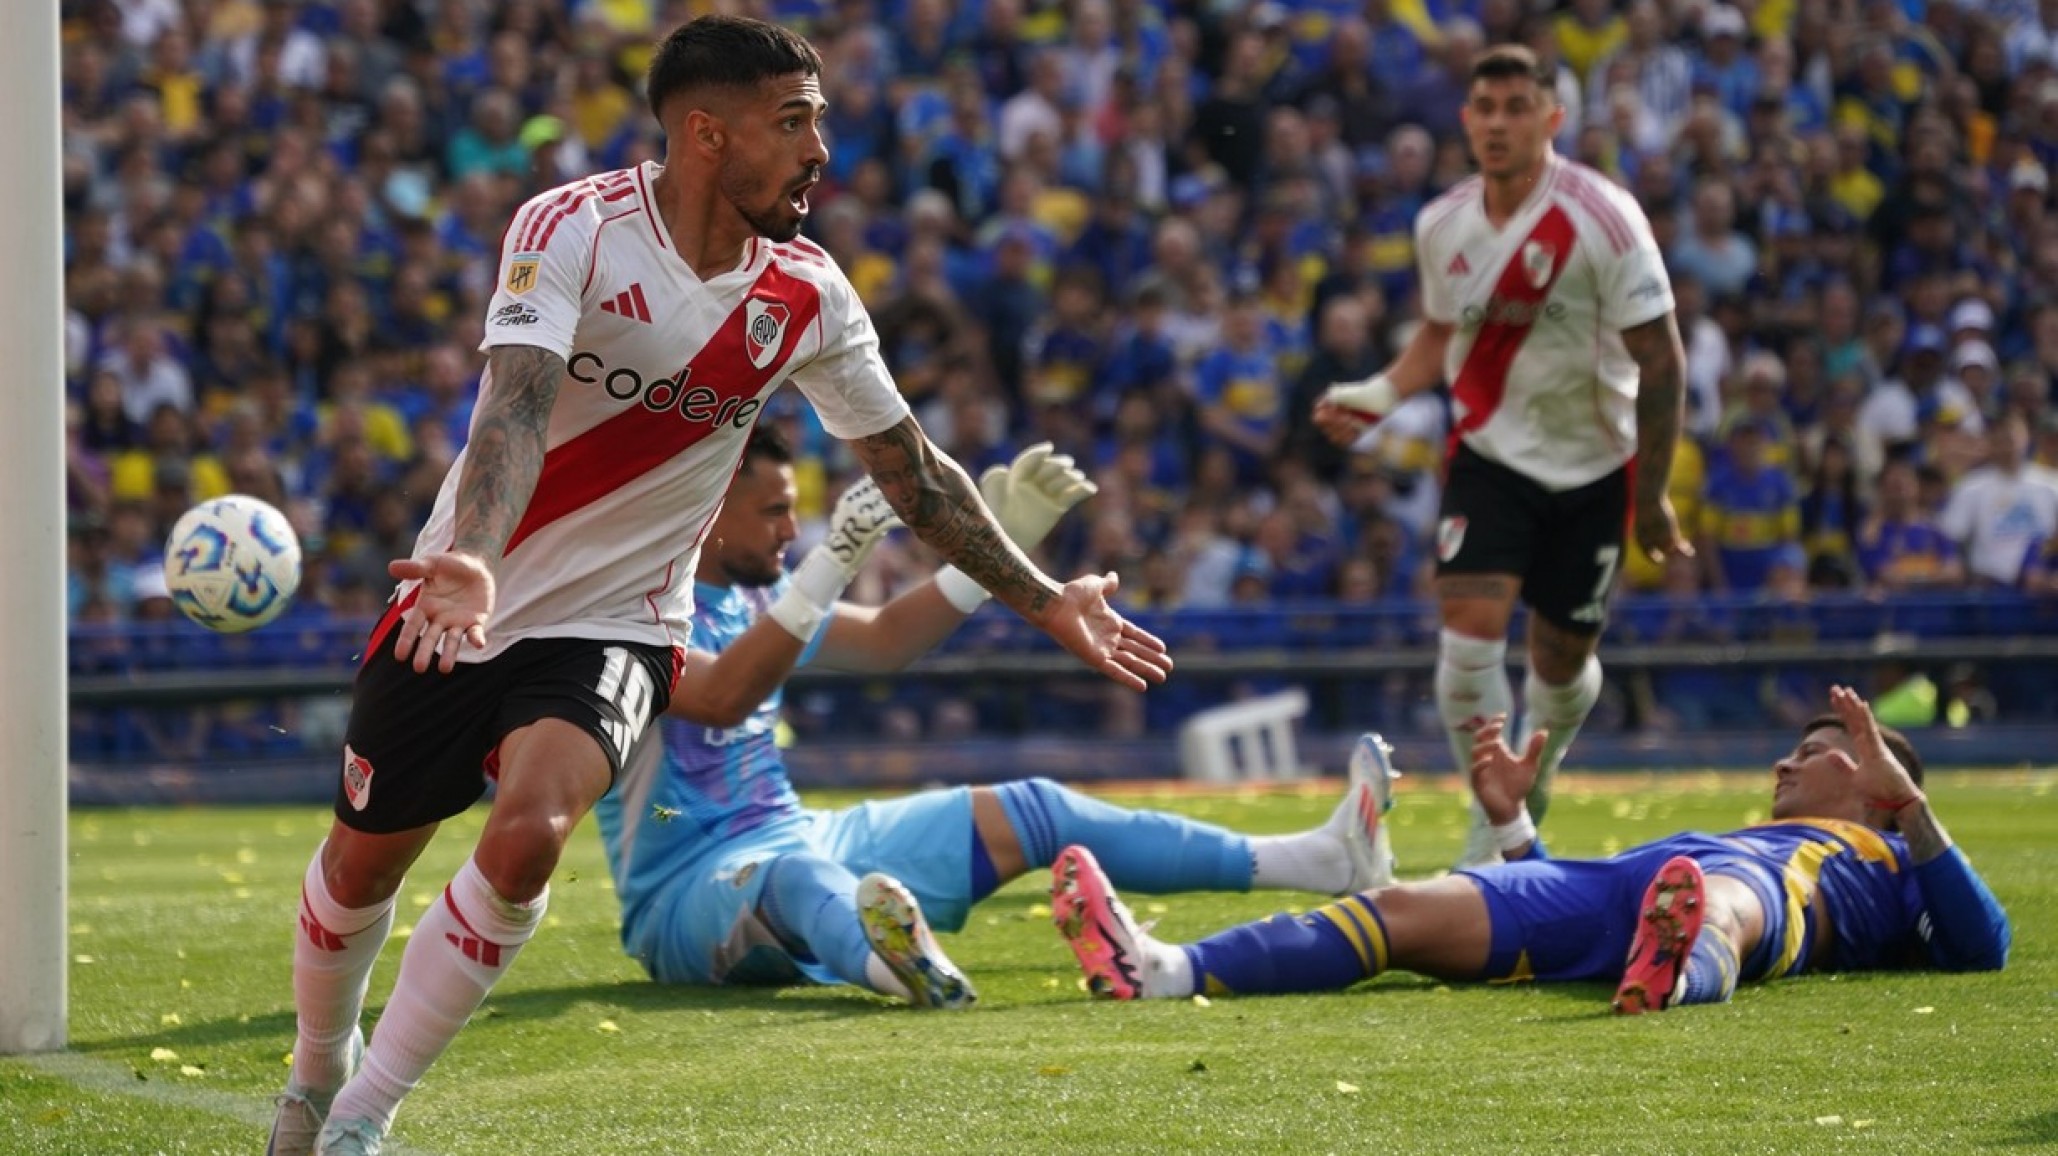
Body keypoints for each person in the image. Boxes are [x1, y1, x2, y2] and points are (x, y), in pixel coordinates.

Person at [267, 18, 1172, 1156]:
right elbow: (516, 406)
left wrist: (1045, 597)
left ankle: (362, 1114)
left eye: (821, 120)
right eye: (794, 121)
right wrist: (479, 558)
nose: (820, 150)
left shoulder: (808, 293)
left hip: (622, 620)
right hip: (469, 589)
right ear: (706, 133)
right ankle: (316, 1067)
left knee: (533, 829)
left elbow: (914, 474)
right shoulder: (572, 228)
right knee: (361, 861)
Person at [595, 429, 1394, 1007]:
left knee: (1034, 808)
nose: (791, 528)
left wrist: (992, 550)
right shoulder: (623, 610)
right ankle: (897, 972)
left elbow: (884, 643)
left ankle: (1321, 860)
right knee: (805, 880)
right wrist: (831, 562)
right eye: (774, 511)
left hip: (799, 837)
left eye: (796, 511)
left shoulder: (755, 596)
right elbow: (723, 693)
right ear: (706, 503)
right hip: (682, 895)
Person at [1051, 686, 2011, 1012]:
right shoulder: (1749, 831)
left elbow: (1983, 946)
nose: (1783, 762)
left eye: (1813, 753)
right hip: (1621, 891)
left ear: (1876, 784)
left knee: (1722, 897)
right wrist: (1513, 825)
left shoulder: (1878, 857)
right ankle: (1163, 970)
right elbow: (1576, 910)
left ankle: (1681, 973)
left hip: (1731, 892)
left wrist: (1912, 807)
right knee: (1400, 912)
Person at [1312, 44, 1690, 867]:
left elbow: (1661, 361)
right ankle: (1492, 836)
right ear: (1465, 119)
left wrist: (1652, 495)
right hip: (1490, 456)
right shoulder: (1440, 224)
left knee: (1559, 669)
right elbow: (1446, 334)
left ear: (1552, 120)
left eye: (1517, 107)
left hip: (1594, 468)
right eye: (1484, 108)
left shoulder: (1605, 217)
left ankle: (1535, 779)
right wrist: (1381, 392)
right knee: (1468, 641)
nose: (1496, 123)